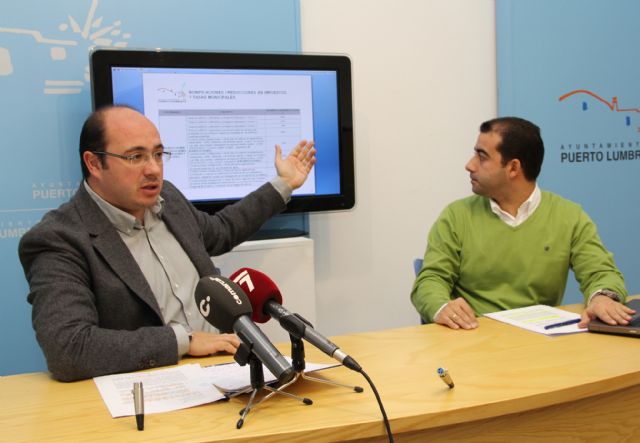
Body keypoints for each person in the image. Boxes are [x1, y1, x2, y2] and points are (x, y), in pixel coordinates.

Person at [18, 105, 316, 381]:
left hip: (231, 371)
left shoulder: (168, 199)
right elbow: (69, 348)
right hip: (156, 387)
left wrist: (283, 184)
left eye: (158, 154)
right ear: (94, 163)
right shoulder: (59, 238)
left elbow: (221, 231)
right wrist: (183, 341)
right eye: (135, 157)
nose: (153, 169)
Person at [411, 116, 634, 330]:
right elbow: (430, 280)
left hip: (540, 342)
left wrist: (602, 297)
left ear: (513, 168)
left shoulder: (569, 216)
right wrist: (442, 306)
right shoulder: (456, 216)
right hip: (473, 336)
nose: (469, 165)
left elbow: (601, 272)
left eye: (482, 156)